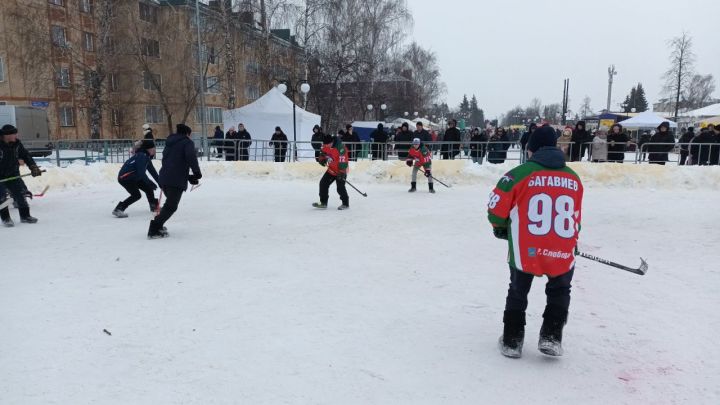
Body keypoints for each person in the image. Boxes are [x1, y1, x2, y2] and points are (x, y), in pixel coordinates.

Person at [487, 125, 584, 358]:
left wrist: (501, 229)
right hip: (562, 247)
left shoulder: (518, 174)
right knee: (560, 289)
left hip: (526, 247)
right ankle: (551, 336)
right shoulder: (573, 177)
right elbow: (575, 217)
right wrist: (573, 240)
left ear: (531, 149)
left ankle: (512, 340)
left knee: (518, 290)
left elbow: (495, 208)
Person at [147, 124, 202, 239]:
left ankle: (158, 225)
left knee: (169, 204)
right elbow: (190, 156)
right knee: (171, 206)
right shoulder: (187, 142)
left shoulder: (170, 142)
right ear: (187, 133)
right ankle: (154, 229)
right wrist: (196, 172)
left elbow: (173, 162)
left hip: (164, 177)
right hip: (175, 180)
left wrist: (188, 176)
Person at [0, 124, 43, 226]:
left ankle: (25, 216)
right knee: (2, 197)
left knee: (21, 194)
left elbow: (26, 155)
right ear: (7, 135)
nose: (16, 135)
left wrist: (33, 167)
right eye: (14, 133)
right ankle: (6, 219)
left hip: (12, 174)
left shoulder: (17, 144)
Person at [112, 140, 160, 218]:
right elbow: (141, 173)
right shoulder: (141, 156)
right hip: (125, 178)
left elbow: (153, 172)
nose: (155, 151)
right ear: (148, 149)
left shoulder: (146, 157)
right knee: (136, 195)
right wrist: (150, 182)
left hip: (134, 177)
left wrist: (160, 183)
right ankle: (118, 209)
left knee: (148, 189)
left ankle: (153, 206)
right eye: (153, 149)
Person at [314, 133, 349, 210]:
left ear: (332, 142)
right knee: (323, 184)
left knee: (340, 187)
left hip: (341, 171)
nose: (326, 146)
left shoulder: (341, 148)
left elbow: (344, 162)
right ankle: (323, 202)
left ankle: (345, 203)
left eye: (327, 144)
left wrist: (341, 172)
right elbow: (322, 154)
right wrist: (321, 160)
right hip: (331, 170)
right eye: (325, 145)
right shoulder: (326, 146)